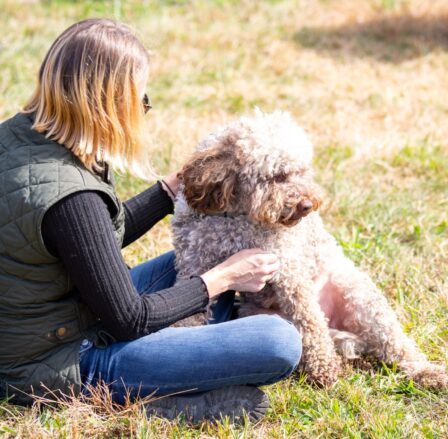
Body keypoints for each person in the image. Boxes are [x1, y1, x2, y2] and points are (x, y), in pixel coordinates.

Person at [0, 18, 302, 423]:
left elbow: (86, 242)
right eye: (140, 99)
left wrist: (166, 192)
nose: (144, 109)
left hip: (43, 325)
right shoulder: (71, 196)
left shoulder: (21, 139)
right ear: (110, 105)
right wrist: (223, 279)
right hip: (57, 363)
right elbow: (130, 319)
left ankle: (180, 364)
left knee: (206, 264)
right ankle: (147, 400)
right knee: (278, 341)